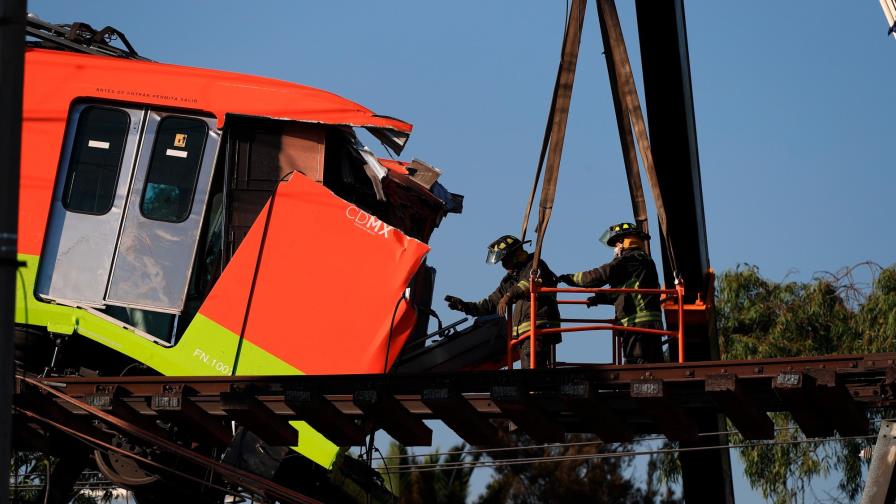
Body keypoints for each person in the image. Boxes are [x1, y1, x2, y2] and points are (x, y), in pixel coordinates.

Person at [444, 235, 561, 368]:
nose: (504, 265)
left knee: (532, 371)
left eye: (505, 260)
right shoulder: (511, 278)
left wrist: (508, 296)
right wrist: (465, 306)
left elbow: (527, 284)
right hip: (525, 332)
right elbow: (491, 303)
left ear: (516, 255)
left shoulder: (535, 265)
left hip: (539, 326)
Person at [558, 222, 664, 364]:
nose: (615, 249)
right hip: (645, 327)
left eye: (616, 244)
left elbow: (599, 275)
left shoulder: (630, 259)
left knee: (639, 368)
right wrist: (600, 298)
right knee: (644, 365)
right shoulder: (643, 260)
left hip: (638, 328)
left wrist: (569, 278)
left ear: (623, 242)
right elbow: (628, 291)